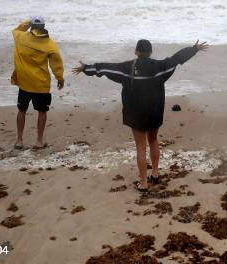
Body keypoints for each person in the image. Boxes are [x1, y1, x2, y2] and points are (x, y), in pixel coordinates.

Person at [72, 39, 208, 191]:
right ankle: (155, 174)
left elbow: (105, 68)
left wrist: (86, 68)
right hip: (155, 110)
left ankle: (143, 183)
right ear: (150, 52)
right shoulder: (160, 67)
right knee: (154, 140)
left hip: (135, 112)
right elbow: (177, 58)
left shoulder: (126, 68)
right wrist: (194, 49)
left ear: (136, 51)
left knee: (140, 147)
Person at [11, 16, 64, 150]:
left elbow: (17, 29)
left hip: (24, 83)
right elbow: (56, 63)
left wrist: (27, 22)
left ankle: (19, 140)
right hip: (41, 84)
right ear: (44, 26)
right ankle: (39, 141)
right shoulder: (50, 44)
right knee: (42, 112)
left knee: (21, 110)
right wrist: (60, 77)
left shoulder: (20, 38)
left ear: (31, 26)